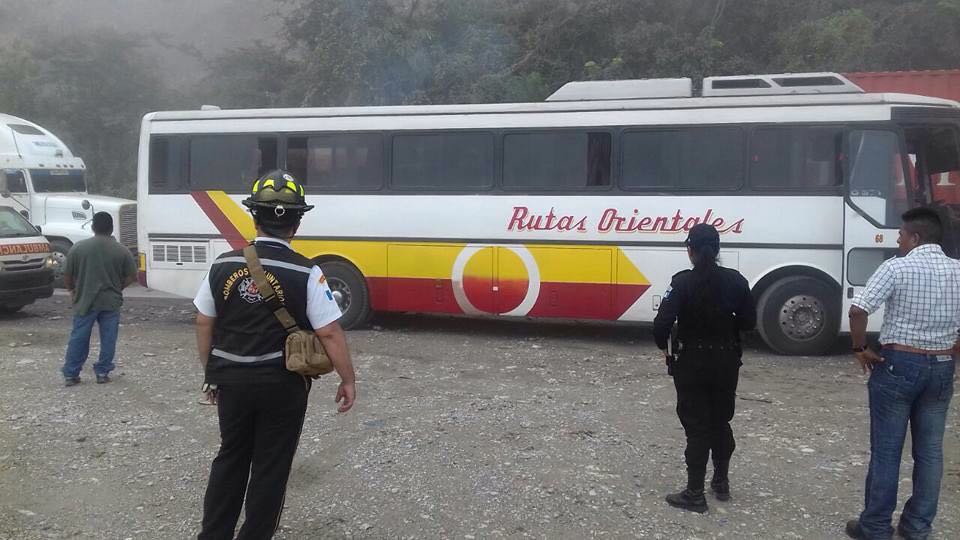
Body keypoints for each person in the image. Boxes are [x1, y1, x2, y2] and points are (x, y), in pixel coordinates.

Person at [193, 170, 357, 540]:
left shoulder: (222, 265)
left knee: (230, 457)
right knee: (270, 467)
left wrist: (212, 372)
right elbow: (329, 330)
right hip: (283, 385)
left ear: (254, 217)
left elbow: (204, 321)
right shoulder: (307, 272)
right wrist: (347, 379)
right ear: (297, 223)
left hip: (231, 381)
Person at [845, 207, 959, 540]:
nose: (898, 241)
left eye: (901, 235)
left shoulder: (897, 267)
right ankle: (918, 526)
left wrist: (859, 348)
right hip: (941, 367)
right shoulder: (957, 270)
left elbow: (858, 310)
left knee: (887, 450)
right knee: (930, 451)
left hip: (898, 364)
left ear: (915, 237)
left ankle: (876, 526)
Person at [652, 223, 756, 513]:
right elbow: (749, 322)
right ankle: (721, 482)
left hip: (691, 363)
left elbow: (661, 325)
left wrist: (664, 348)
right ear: (719, 249)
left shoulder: (682, 282)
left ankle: (694, 492)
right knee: (721, 421)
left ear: (690, 251)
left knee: (696, 426)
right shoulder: (737, 281)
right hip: (726, 362)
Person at [60, 211, 137, 386]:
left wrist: (72, 291)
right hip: (111, 301)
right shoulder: (121, 250)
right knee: (108, 338)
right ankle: (102, 372)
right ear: (111, 228)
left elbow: (67, 273)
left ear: (93, 227)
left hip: (85, 301)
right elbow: (132, 276)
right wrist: (118, 287)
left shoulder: (79, 248)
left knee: (79, 337)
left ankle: (71, 374)